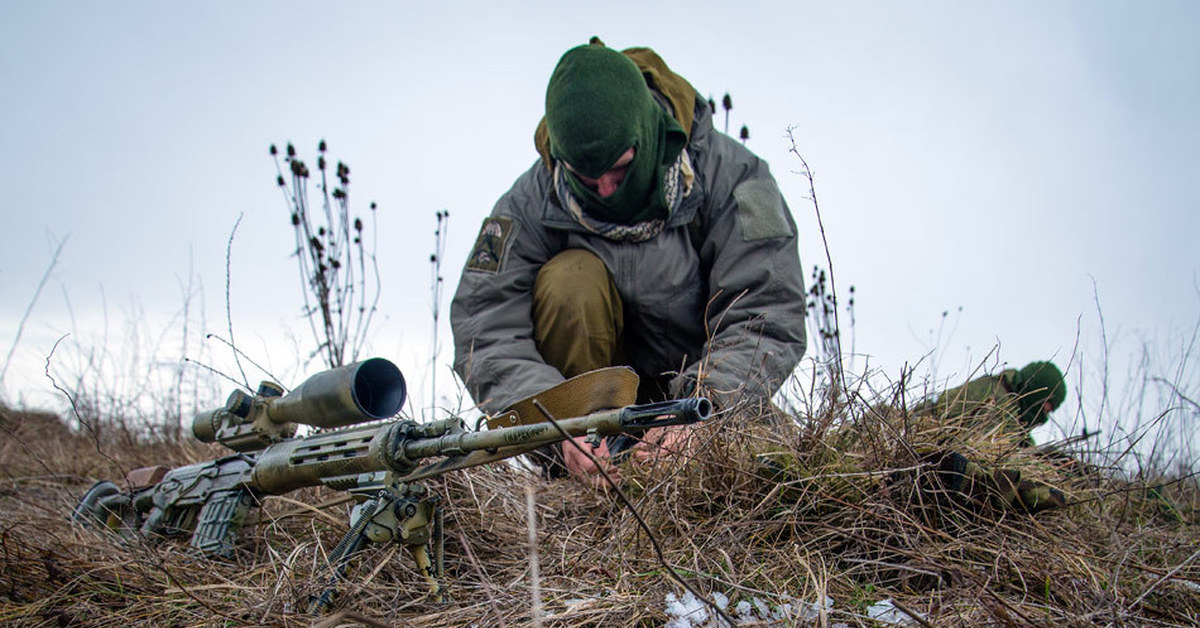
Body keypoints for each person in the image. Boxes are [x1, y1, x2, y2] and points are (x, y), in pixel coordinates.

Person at [450, 39, 807, 480]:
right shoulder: (530, 200)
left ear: (650, 133)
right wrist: (558, 425)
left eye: (619, 169)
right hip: (585, 419)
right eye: (586, 176)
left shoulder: (733, 177)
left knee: (778, 475)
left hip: (705, 406)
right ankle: (588, 468)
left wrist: (703, 408)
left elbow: (767, 313)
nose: (604, 188)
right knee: (570, 280)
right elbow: (484, 327)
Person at [928, 360, 1067, 446]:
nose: (1044, 416)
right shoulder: (996, 400)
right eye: (1045, 406)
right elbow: (1008, 449)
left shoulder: (1001, 393)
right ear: (1037, 391)